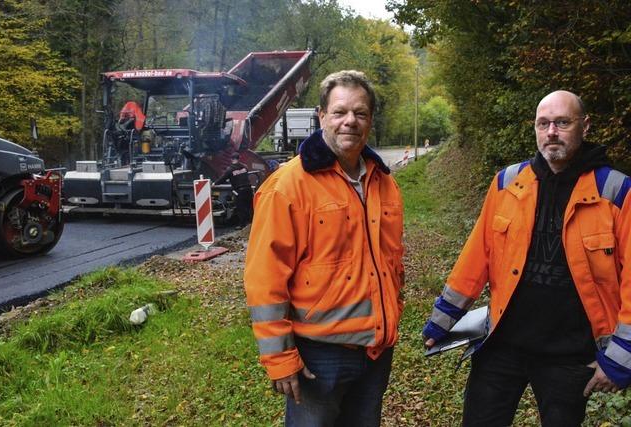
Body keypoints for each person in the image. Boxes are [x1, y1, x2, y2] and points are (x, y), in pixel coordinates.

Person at [422, 90, 631, 426]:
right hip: (501, 345)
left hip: (569, 355)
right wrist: (444, 318)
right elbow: (476, 258)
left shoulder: (617, 193)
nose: (551, 132)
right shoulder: (507, 184)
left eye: (563, 123)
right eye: (543, 123)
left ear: (585, 126)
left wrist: (621, 357)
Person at [244, 70, 405, 426]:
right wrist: (280, 357)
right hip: (319, 357)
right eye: (340, 112)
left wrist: (394, 309)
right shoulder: (288, 186)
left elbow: (392, 261)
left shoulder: (384, 183)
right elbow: (264, 279)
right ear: (321, 117)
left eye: (360, 113)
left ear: (370, 121)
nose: (350, 121)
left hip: (376, 352)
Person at [214, 152, 253, 229]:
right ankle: (252, 222)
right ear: (239, 158)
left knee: (240, 207)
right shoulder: (245, 167)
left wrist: (214, 183)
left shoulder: (230, 169)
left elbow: (223, 178)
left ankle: (242, 225)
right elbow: (242, 175)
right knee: (249, 206)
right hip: (248, 189)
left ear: (231, 159)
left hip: (239, 191)